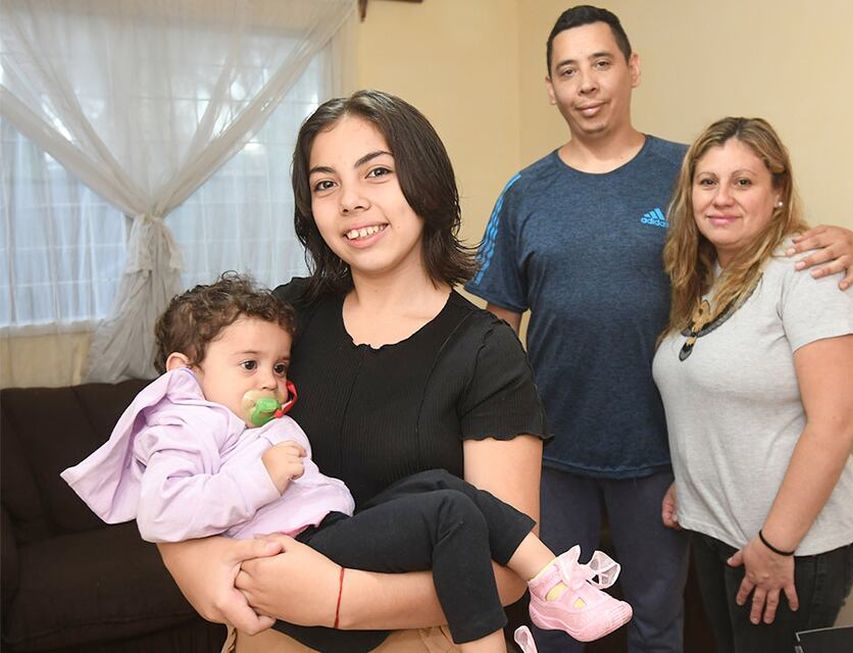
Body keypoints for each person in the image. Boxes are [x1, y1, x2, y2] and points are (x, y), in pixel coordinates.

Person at [465, 6, 853, 653]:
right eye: (568, 71)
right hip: (554, 449)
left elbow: (755, 248)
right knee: (550, 615)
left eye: (601, 63)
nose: (587, 83)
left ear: (632, 69)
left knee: (657, 619)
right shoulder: (524, 192)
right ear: (551, 89)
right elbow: (498, 327)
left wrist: (843, 239)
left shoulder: (687, 176)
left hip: (663, 455)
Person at [147, 89, 573, 653]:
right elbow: (173, 440)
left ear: (425, 182)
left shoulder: (485, 353)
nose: (350, 201)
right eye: (326, 184)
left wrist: (341, 597)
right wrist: (192, 565)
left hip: (421, 640)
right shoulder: (281, 322)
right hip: (271, 632)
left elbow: (508, 571)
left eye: (377, 172)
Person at [63, 272, 633, 653]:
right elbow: (163, 510)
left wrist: (340, 592)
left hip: (338, 549)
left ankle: (551, 582)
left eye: (280, 367)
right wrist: (249, 491)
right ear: (185, 371)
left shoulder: (482, 347)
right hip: (294, 564)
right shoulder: (187, 420)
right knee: (448, 513)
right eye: (249, 366)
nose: (270, 380)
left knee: (441, 488)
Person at [652, 116, 853, 652]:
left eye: (743, 182)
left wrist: (776, 544)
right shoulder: (711, 279)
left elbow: (838, 423)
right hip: (720, 533)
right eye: (708, 182)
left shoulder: (809, 273)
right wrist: (696, 477)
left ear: (778, 193)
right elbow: (717, 395)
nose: (722, 198)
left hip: (791, 548)